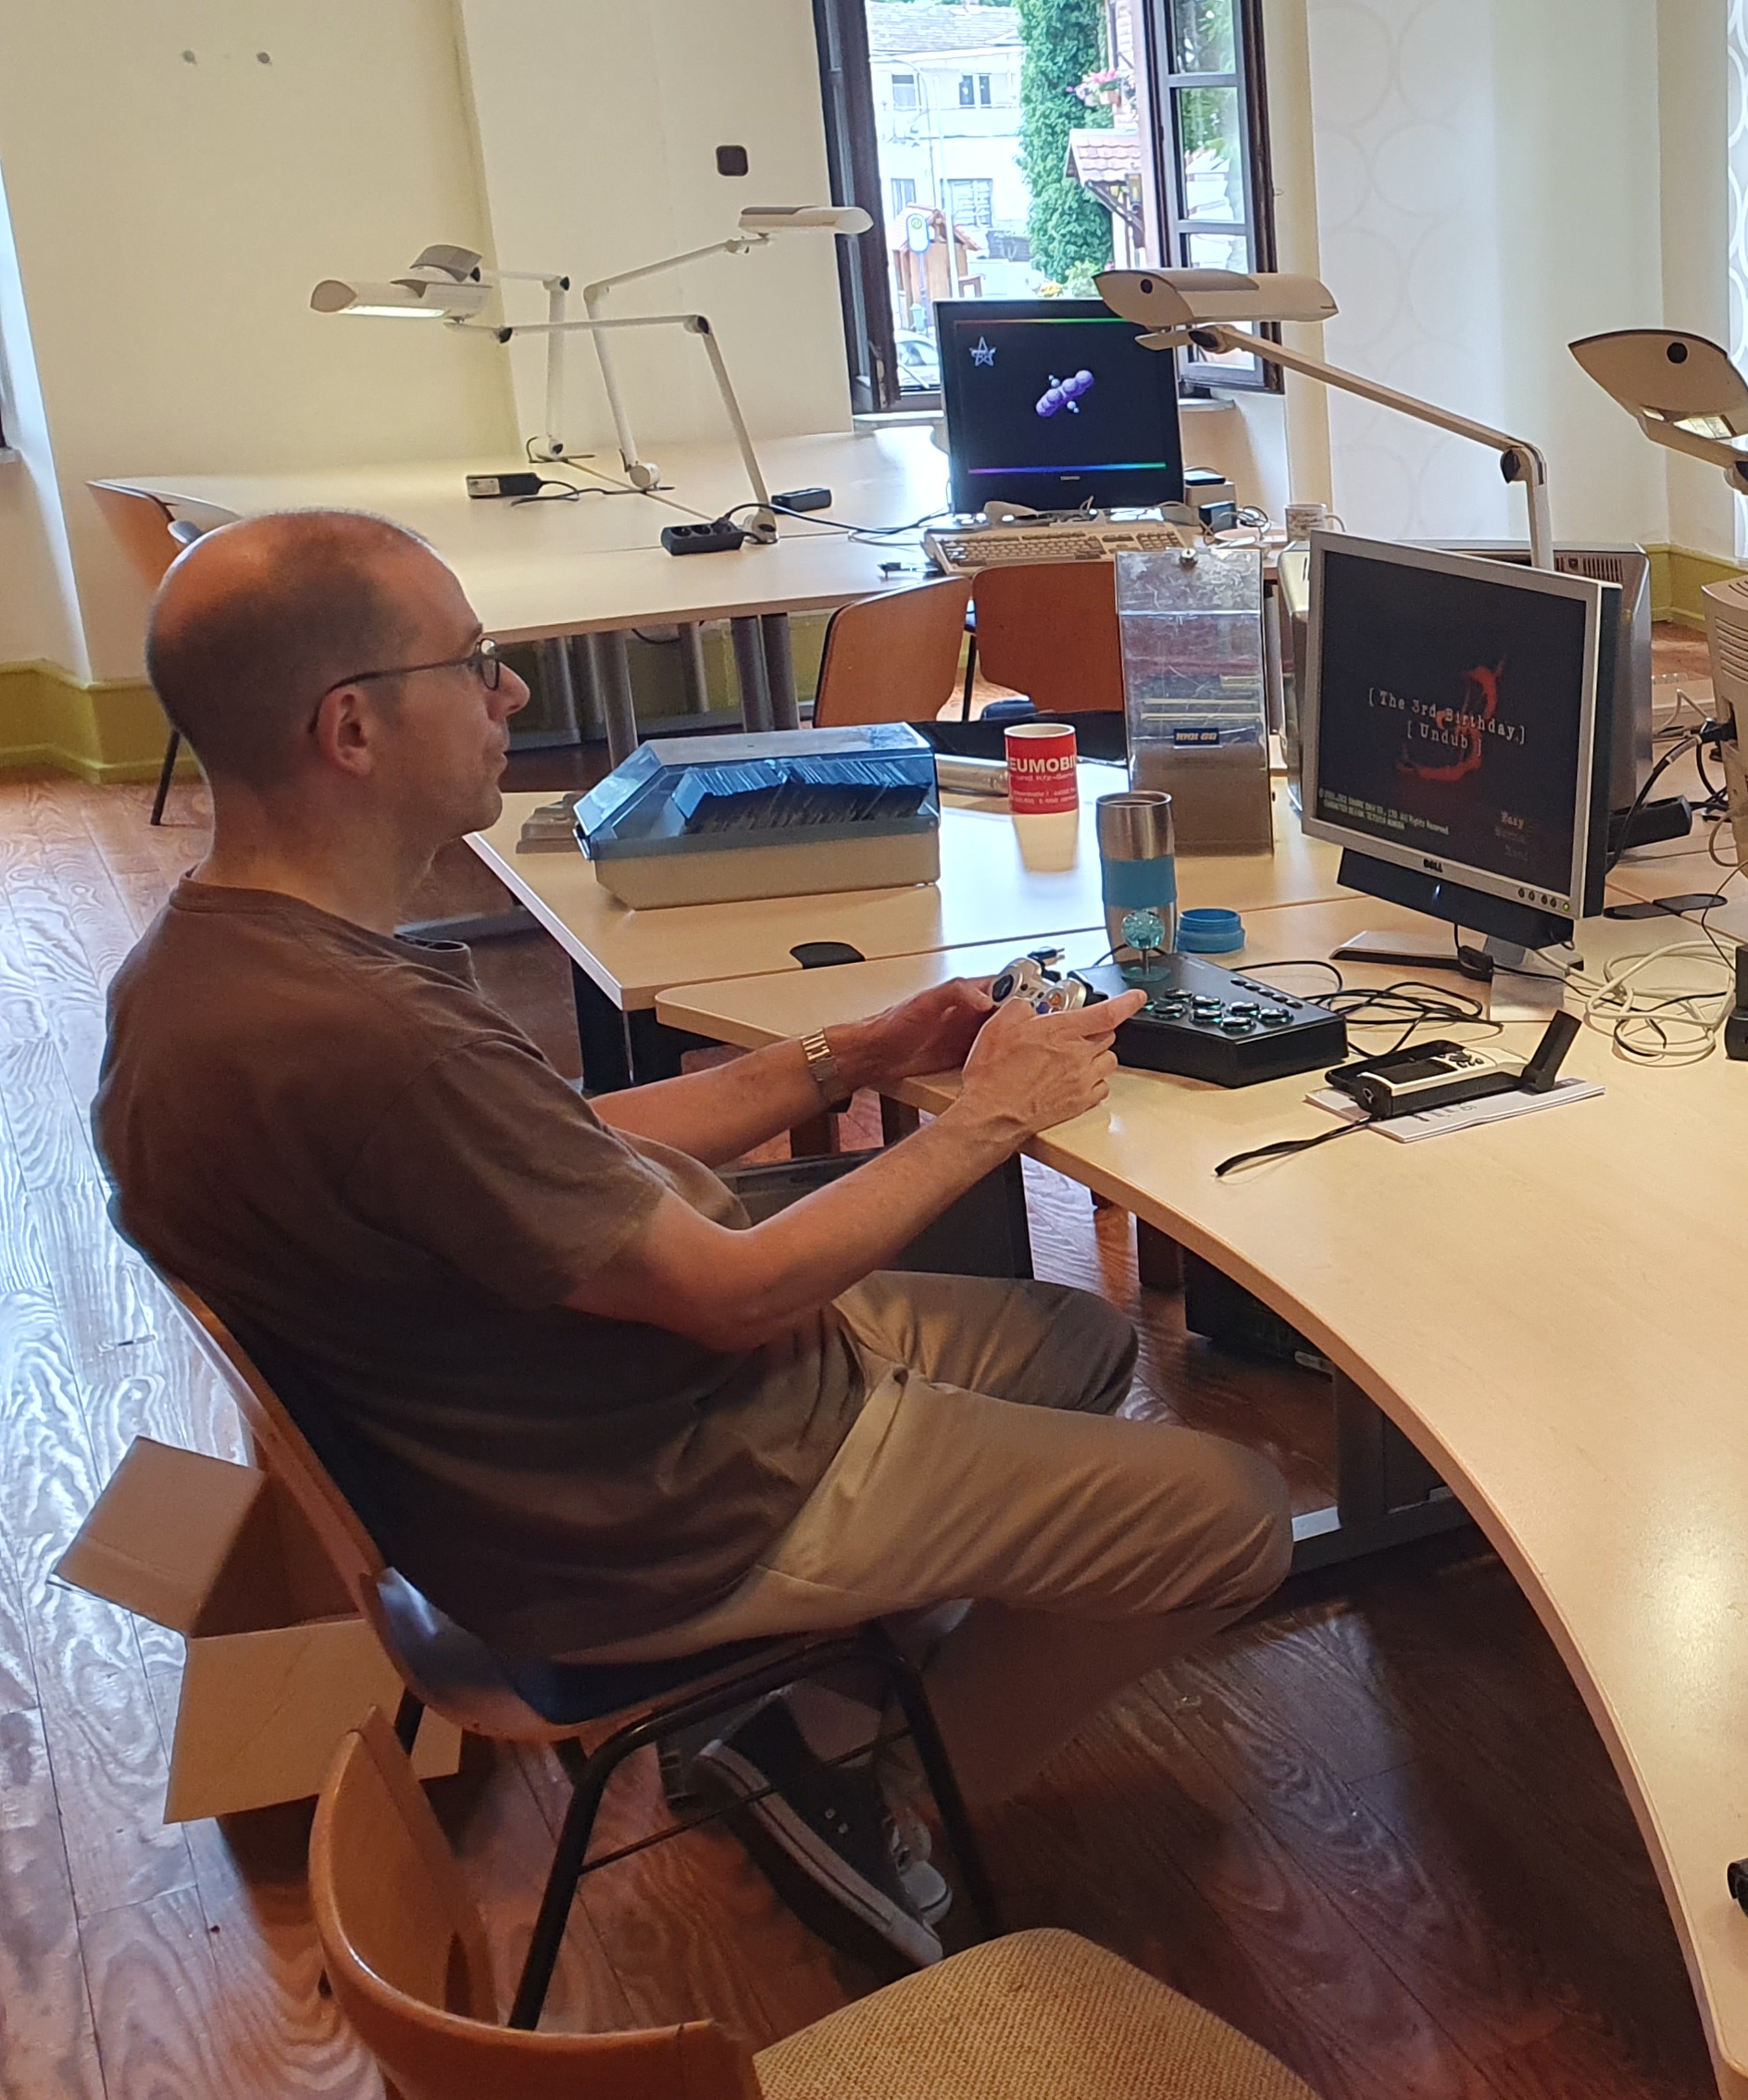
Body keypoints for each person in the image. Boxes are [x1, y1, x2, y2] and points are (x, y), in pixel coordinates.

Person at [94, 511, 1293, 1969]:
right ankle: (853, 1786)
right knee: (1235, 1514)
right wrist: (988, 1118)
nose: (510, 692)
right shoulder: (370, 1041)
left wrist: (855, 1053)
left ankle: (823, 1700)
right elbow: (734, 1295)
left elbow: (562, 1144)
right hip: (658, 1511)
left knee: (1075, 1340)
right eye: (473, 663)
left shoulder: (207, 971)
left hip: (548, 1448)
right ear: (350, 728)